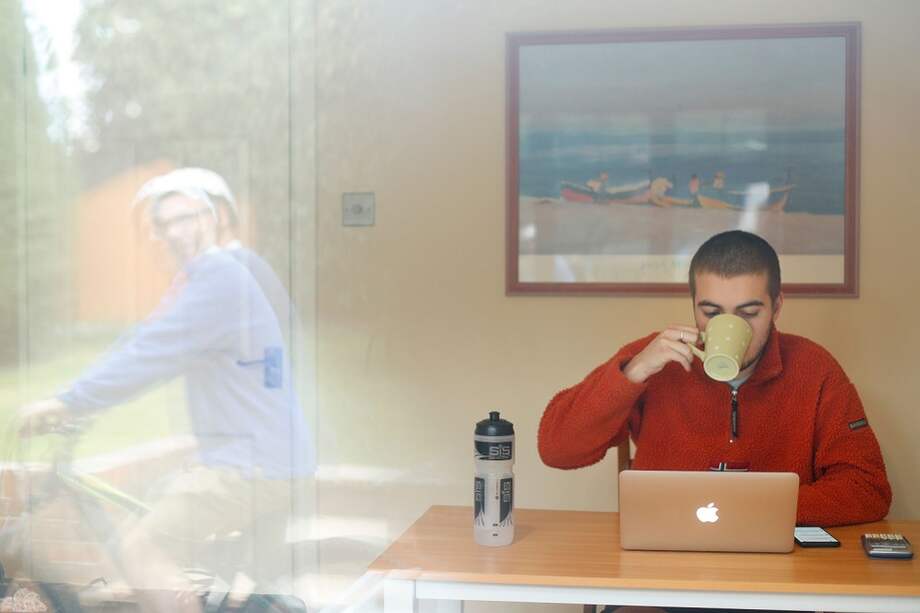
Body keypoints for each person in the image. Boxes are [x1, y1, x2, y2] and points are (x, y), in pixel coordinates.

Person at [18, 182, 314, 613]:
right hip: (259, 454)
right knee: (155, 501)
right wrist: (80, 397)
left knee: (140, 549)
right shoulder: (208, 280)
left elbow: (150, 354)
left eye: (185, 218)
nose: (174, 231)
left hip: (253, 464)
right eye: (163, 224)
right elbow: (143, 339)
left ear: (210, 220)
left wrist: (69, 401)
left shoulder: (220, 277)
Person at [538, 230, 891, 529]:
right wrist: (631, 374)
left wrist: (749, 508)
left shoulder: (814, 369)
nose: (729, 326)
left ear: (777, 306)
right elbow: (557, 449)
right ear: (693, 306)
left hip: (777, 580)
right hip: (664, 579)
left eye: (749, 313)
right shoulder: (654, 360)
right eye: (710, 312)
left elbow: (867, 488)